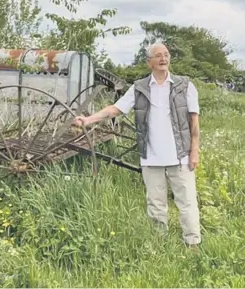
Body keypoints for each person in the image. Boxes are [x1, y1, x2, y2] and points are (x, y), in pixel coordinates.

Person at [74, 43, 201, 248]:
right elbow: (115, 109)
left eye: (166, 55)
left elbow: (194, 121)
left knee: (187, 201)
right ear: (149, 61)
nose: (163, 59)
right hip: (151, 156)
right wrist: (88, 120)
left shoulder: (185, 85)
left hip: (180, 156)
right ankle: (159, 243)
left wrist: (194, 151)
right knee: (156, 203)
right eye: (158, 56)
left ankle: (192, 243)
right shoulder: (139, 88)